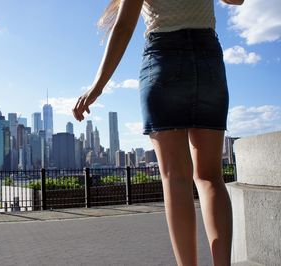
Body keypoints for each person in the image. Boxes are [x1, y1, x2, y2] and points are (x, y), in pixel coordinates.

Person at [72, 0, 244, 265]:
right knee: (210, 177)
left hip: (163, 59)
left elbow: (124, 26)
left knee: (176, 179)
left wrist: (97, 86)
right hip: (208, 59)